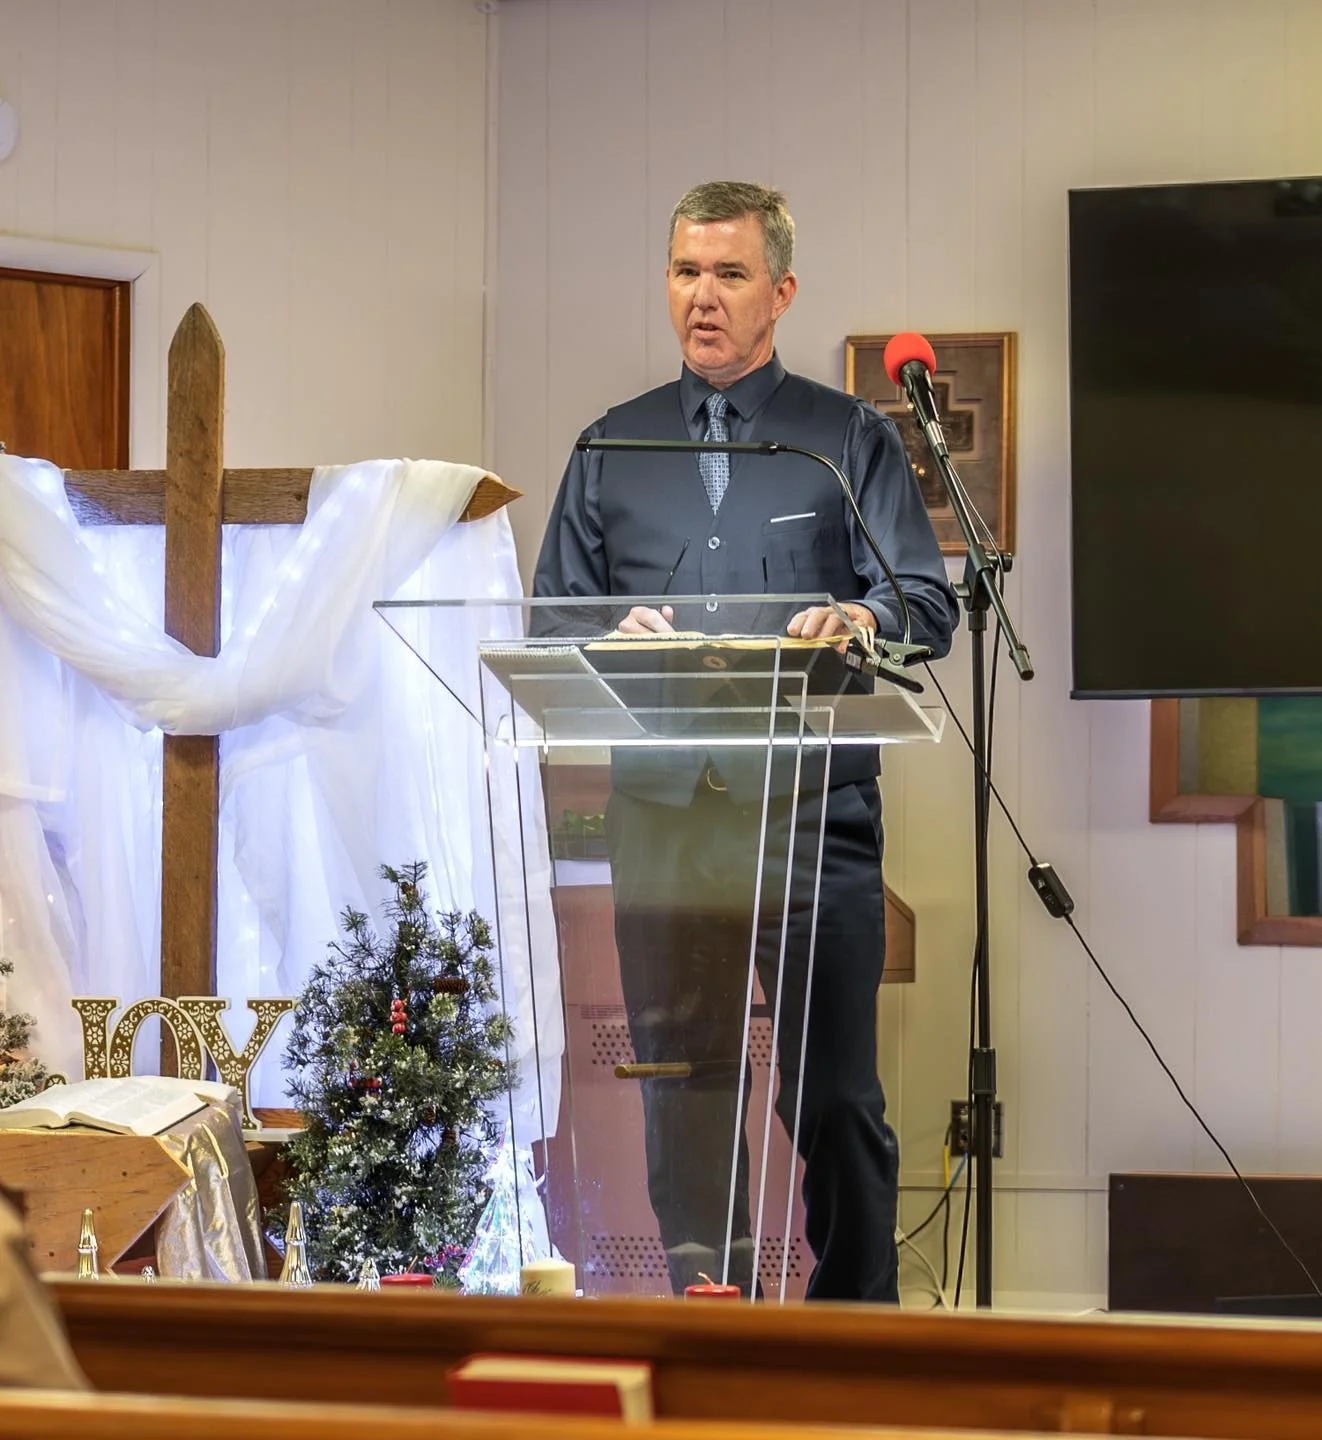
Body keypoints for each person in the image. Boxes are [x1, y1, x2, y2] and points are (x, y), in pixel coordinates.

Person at [533, 180, 958, 1302]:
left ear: (780, 291)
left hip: (814, 814)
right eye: (683, 272)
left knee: (832, 1095)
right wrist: (601, 634)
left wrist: (862, 616)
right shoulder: (608, 447)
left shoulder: (843, 439)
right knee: (684, 1083)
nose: (701, 297)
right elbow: (549, 622)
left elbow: (925, 596)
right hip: (668, 819)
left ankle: (856, 1325)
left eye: (726, 274)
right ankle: (705, 1320)